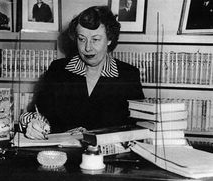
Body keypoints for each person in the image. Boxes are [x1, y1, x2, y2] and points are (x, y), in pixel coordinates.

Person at [20, 6, 144, 139]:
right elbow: (36, 113)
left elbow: (138, 126)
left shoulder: (128, 75)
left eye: (95, 39)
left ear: (109, 39)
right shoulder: (58, 70)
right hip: (65, 155)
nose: (87, 48)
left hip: (108, 157)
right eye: (82, 39)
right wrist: (31, 124)